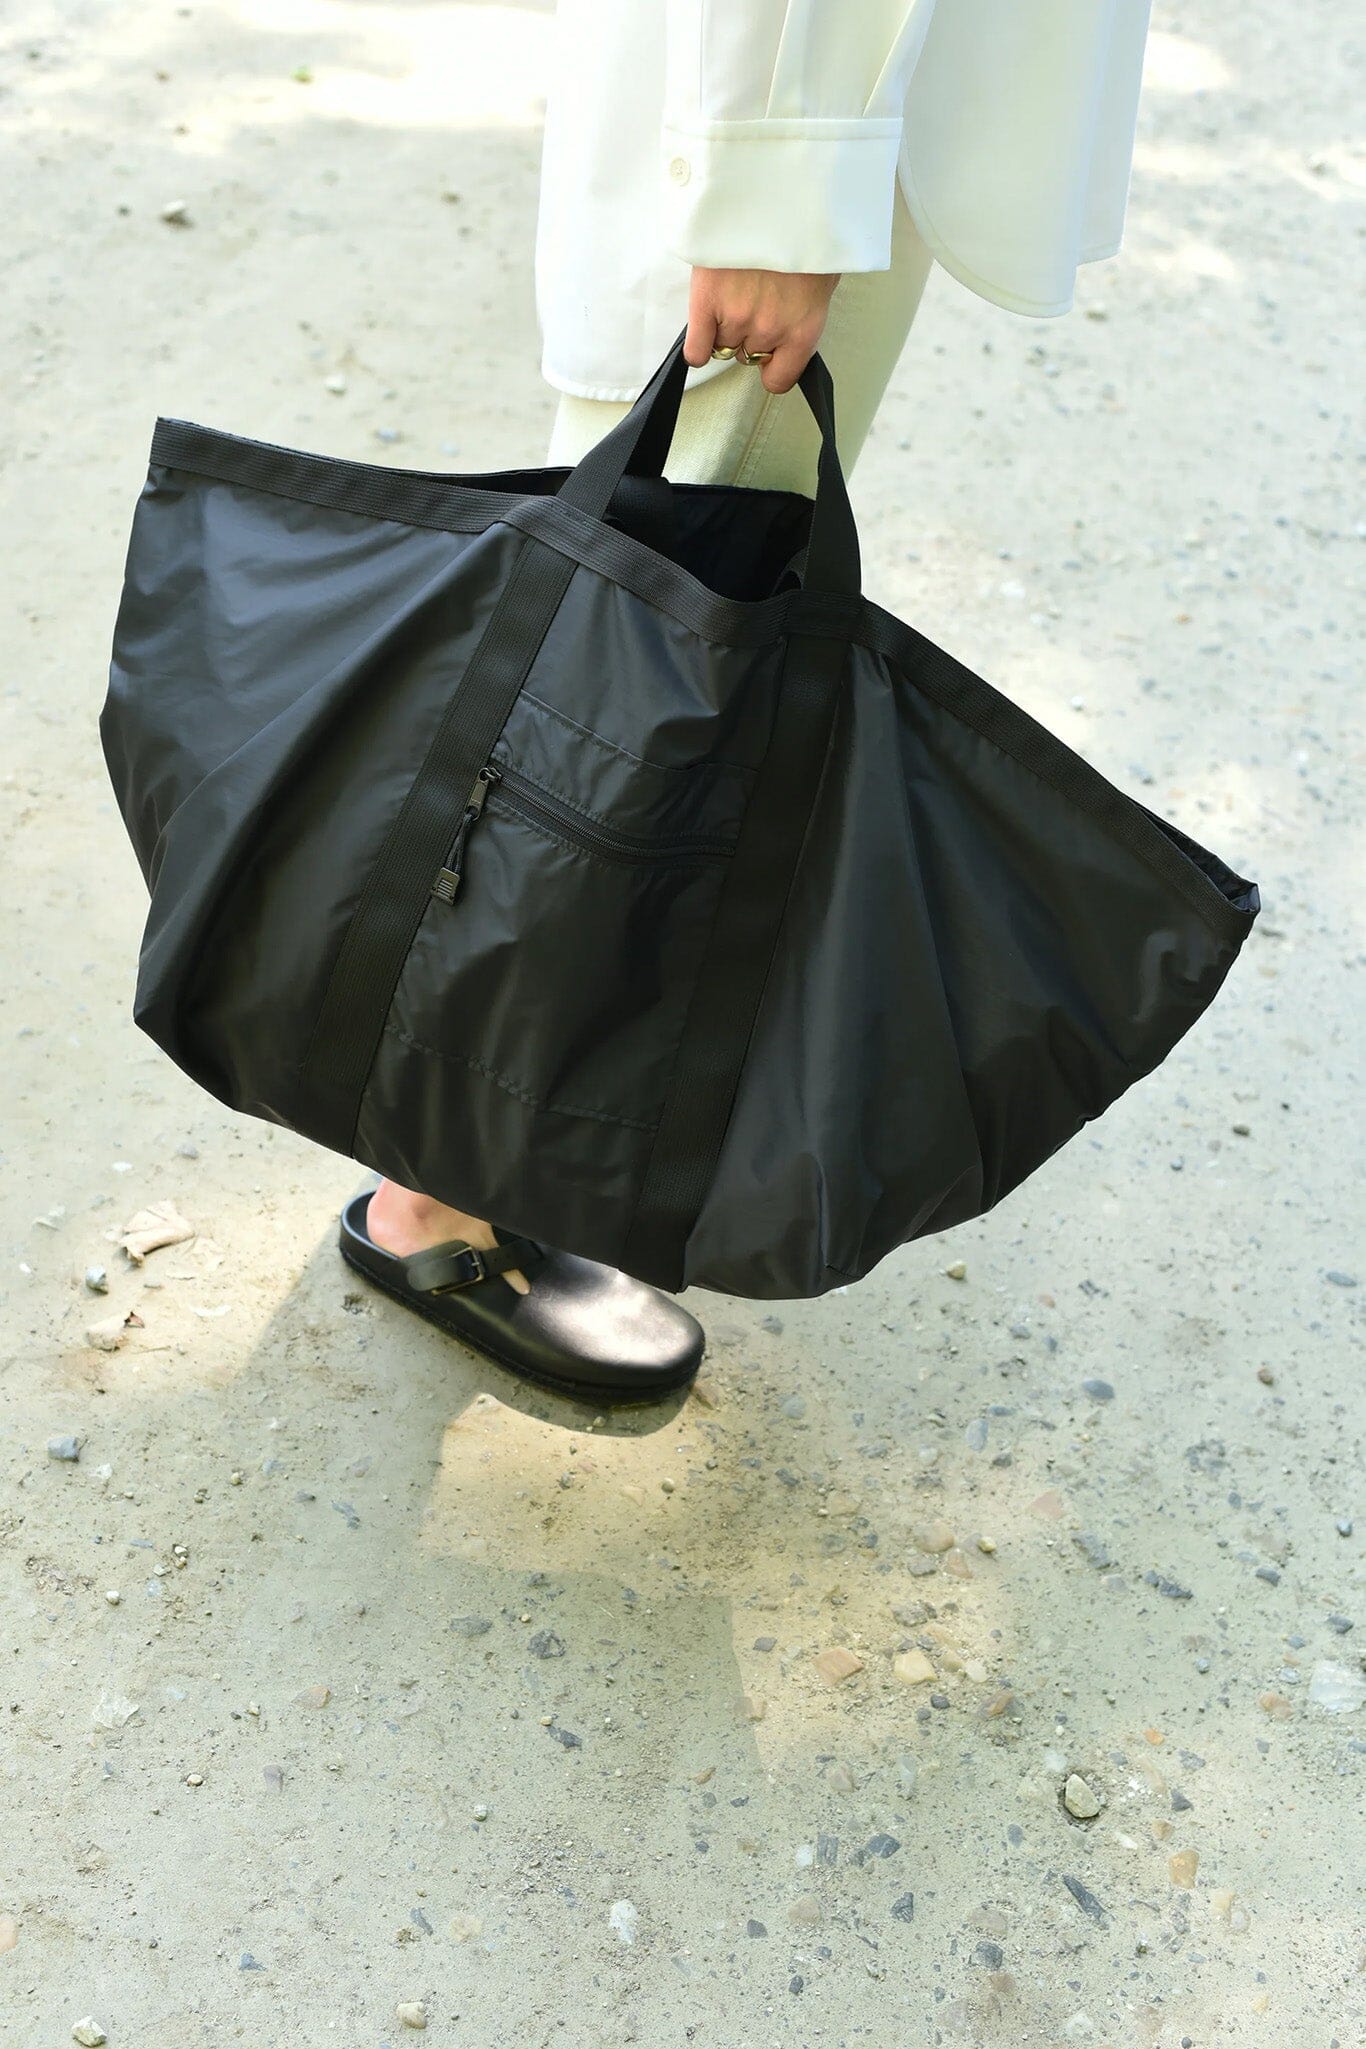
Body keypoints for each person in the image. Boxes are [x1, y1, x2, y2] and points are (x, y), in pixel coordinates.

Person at [340, 0, 1154, 1404]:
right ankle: (431, 1199)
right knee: (627, 678)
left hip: (836, 119)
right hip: (802, 122)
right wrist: (777, 179)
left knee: (642, 657)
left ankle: (464, 1147)